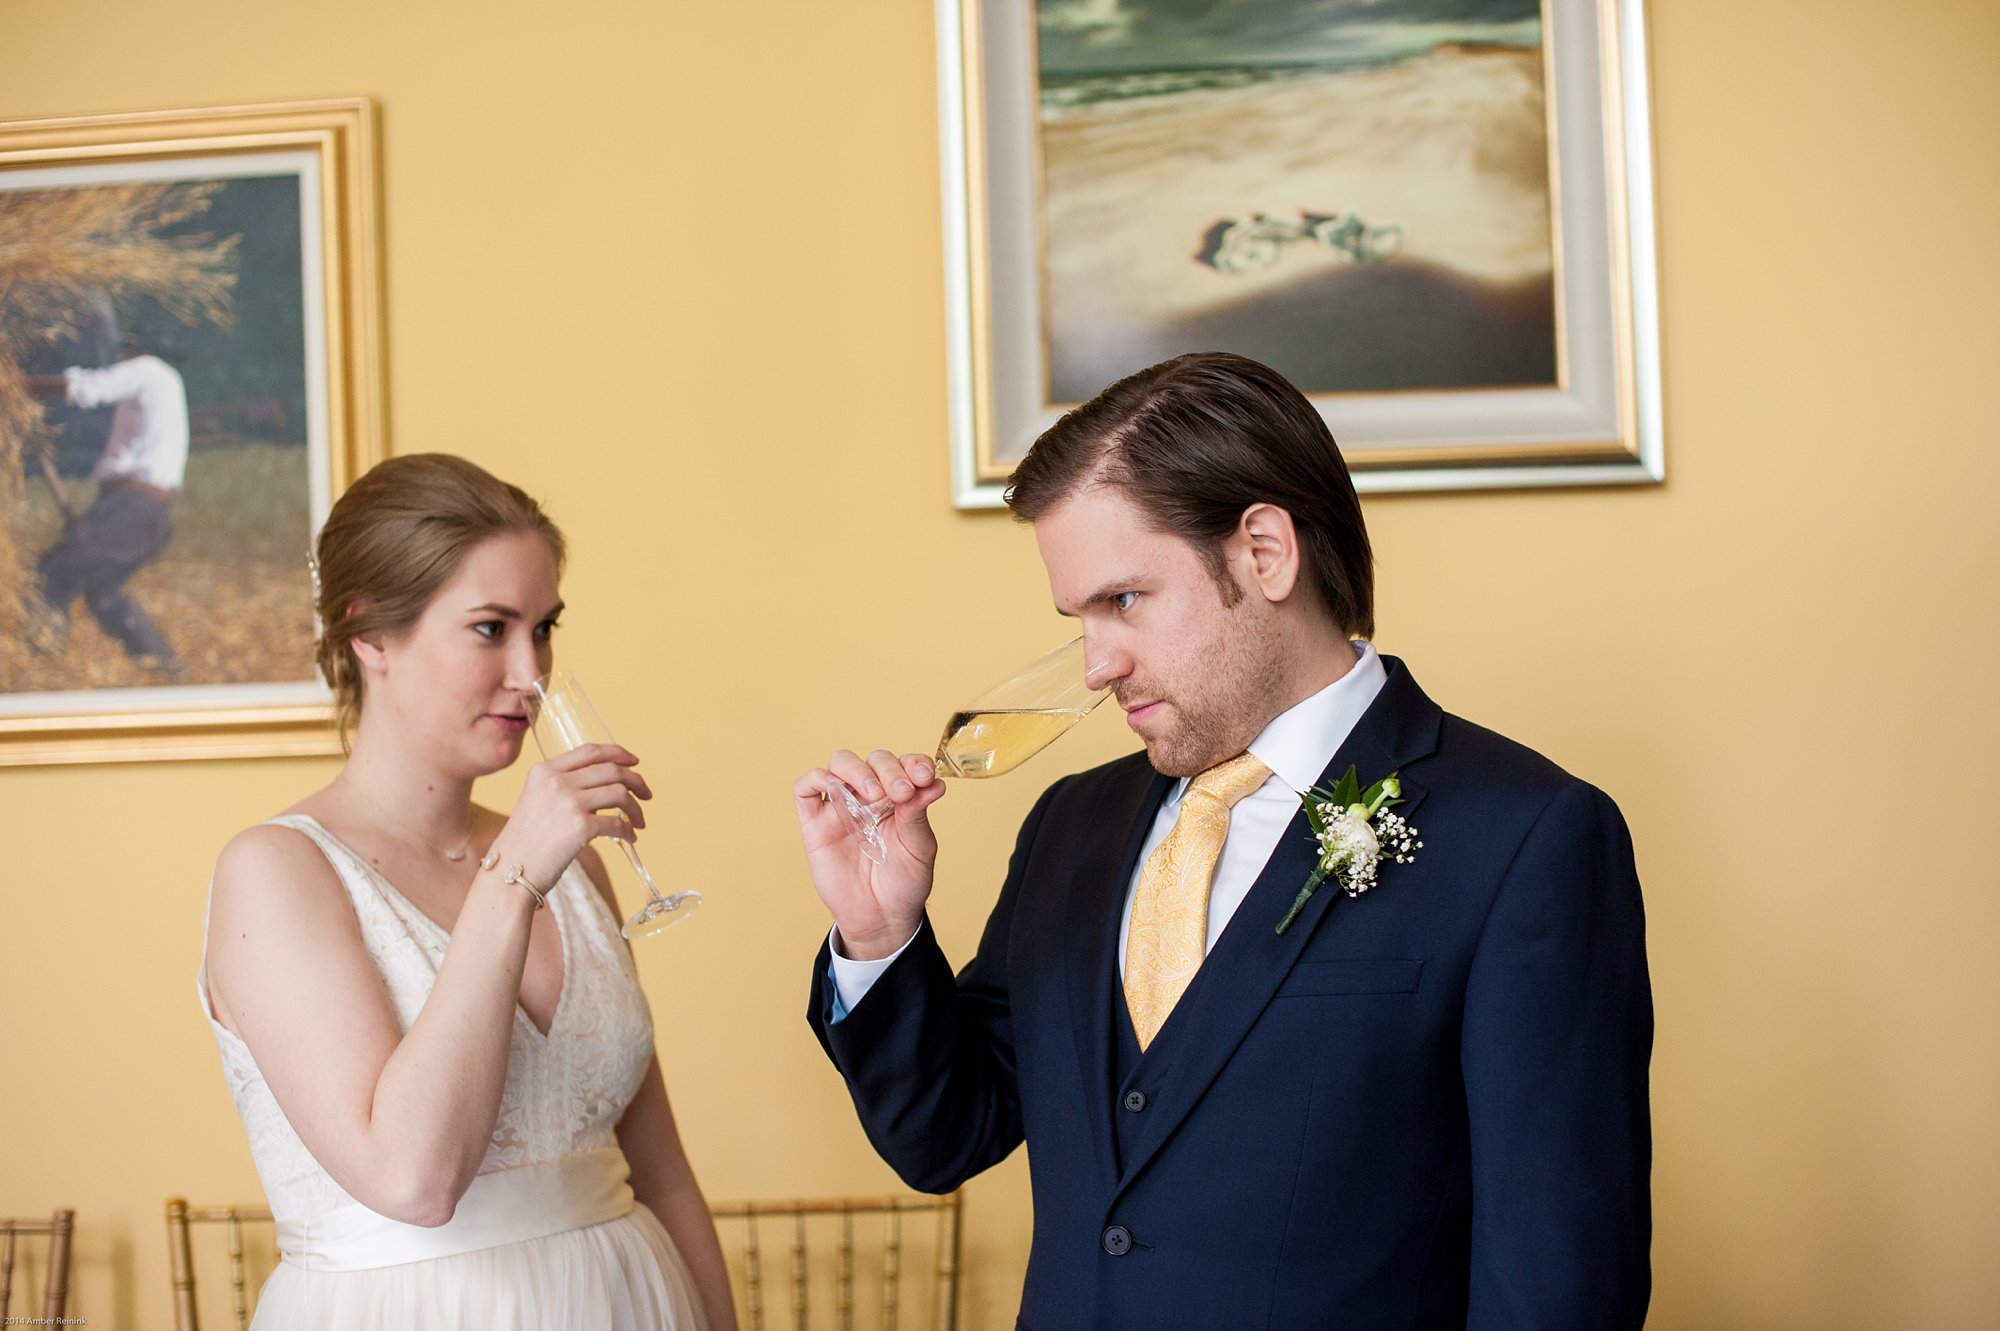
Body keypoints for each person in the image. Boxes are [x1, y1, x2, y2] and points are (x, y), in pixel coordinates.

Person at [794, 353, 1652, 1329]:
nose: (1094, 664)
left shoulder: (1525, 837)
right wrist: (878, 936)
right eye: (1077, 616)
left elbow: (1558, 1284)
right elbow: (948, 1135)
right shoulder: (1069, 826)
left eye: (1124, 600)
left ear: (1263, 552)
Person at [202, 454, 734, 1330]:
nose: (532, 672)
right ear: (369, 633)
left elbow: (663, 1173)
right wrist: (514, 877)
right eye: (491, 628)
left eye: (546, 627)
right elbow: (412, 1177)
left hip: (633, 1300)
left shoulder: (578, 864)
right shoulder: (276, 873)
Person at [25, 338, 189, 672]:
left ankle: (40, 660)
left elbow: (85, 389)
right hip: (147, 512)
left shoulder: (148, 371)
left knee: (52, 572)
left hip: (131, 509)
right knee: (103, 594)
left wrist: (20, 384)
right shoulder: (168, 383)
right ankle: (163, 664)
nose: (120, 356)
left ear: (140, 348)